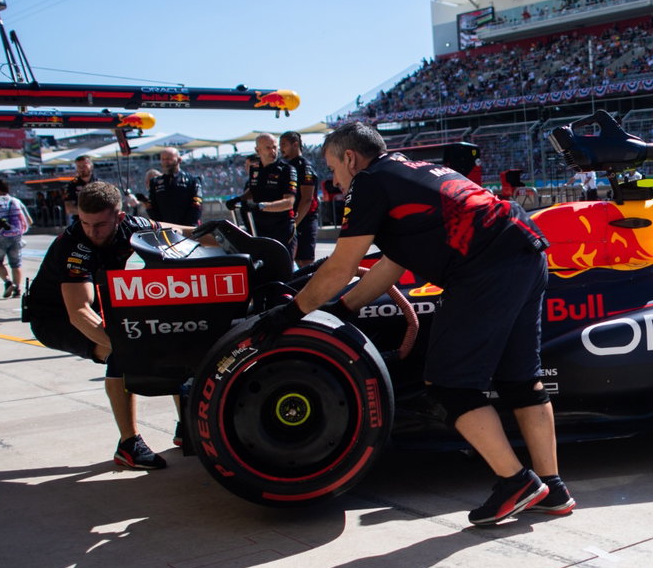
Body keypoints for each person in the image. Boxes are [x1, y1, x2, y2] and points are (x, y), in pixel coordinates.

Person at [266, 121, 569, 526]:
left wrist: (289, 314)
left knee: (448, 384)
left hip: (488, 267)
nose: (334, 181)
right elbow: (393, 263)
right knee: (520, 379)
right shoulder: (416, 170)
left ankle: (516, 482)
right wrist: (345, 310)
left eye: (334, 169)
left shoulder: (369, 182)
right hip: (528, 251)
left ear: (351, 158)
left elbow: (340, 266)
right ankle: (554, 488)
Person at [27, 182, 190, 469]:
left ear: (120, 216)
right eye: (85, 223)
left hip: (97, 307)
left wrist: (224, 233)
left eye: (100, 224)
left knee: (172, 345)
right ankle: (129, 445)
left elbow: (181, 234)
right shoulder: (74, 246)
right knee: (121, 356)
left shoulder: (133, 225)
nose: (92, 231)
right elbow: (78, 312)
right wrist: (129, 347)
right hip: (56, 318)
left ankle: (187, 429)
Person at [244, 134, 299, 260]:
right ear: (258, 150)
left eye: (274, 147)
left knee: (283, 271)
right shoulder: (255, 169)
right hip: (259, 229)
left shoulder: (287, 170)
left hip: (281, 229)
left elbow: (289, 202)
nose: (273, 151)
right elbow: (252, 191)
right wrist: (239, 199)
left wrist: (262, 206)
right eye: (268, 148)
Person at [279, 131, 320, 268]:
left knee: (306, 263)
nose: (280, 148)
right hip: (294, 220)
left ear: (295, 144)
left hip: (305, 219)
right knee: (297, 261)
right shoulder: (287, 166)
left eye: (283, 144)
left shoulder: (304, 166)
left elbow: (307, 199)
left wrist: (294, 224)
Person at [146, 146, 203, 226]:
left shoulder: (192, 180)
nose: (166, 162)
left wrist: (186, 227)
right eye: (163, 159)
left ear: (179, 160)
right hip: (164, 228)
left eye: (169, 159)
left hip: (187, 228)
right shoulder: (155, 182)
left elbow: (197, 205)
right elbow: (151, 206)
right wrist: (161, 225)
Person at [62, 155, 95, 221]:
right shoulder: (71, 185)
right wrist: (89, 213)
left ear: (91, 166)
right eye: (79, 167)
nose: (81, 169)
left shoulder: (100, 183)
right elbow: (69, 209)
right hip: (80, 221)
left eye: (84, 166)